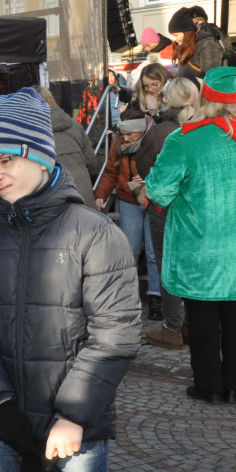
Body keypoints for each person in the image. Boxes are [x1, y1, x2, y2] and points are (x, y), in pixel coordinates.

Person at [0, 88, 141, 472]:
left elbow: (114, 333)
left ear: (38, 154)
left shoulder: (96, 233)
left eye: (5, 161)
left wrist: (73, 415)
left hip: (76, 426)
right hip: (10, 421)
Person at [145, 67, 236, 404]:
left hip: (199, 246)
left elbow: (159, 190)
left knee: (203, 314)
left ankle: (208, 385)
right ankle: (235, 384)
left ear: (205, 96)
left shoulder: (185, 138)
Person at [135, 78, 195, 350]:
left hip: (164, 207)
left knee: (166, 264)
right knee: (192, 264)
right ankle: (193, 323)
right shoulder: (201, 129)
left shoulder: (159, 132)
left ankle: (172, 326)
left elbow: (144, 166)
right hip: (194, 206)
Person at [93, 106, 162, 320]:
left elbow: (166, 171)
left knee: (152, 253)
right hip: (127, 200)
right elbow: (111, 171)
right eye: (122, 133)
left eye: (130, 133)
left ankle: (155, 297)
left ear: (141, 130)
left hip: (152, 201)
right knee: (129, 251)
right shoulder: (118, 143)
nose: (125, 138)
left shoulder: (156, 140)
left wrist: (150, 181)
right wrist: (101, 194)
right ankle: (128, 297)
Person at [34, 85, 97, 206]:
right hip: (82, 196)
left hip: (51, 200)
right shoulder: (75, 125)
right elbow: (91, 162)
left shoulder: (29, 131)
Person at [168, 7, 223, 87]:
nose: (175, 39)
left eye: (176, 35)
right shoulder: (184, 47)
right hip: (189, 95)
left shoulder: (208, 44)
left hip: (201, 96)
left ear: (186, 32)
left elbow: (210, 78)